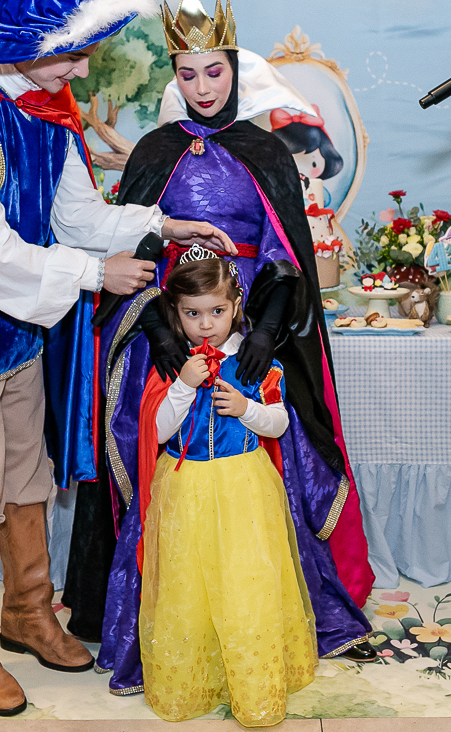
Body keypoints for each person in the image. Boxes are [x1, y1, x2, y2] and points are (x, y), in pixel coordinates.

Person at [0, 0, 235, 716]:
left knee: (26, 473)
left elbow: (75, 214)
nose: (81, 69)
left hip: (24, 324)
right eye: (71, 53)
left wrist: (157, 223)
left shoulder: (47, 104)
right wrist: (92, 274)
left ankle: (29, 614)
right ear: (21, 45)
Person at [65, 0, 375, 696]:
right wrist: (158, 329)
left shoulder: (264, 148)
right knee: (160, 476)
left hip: (245, 335)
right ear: (175, 76)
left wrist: (264, 331)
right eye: (188, 73)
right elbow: (133, 252)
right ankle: (169, 622)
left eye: (215, 70)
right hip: (168, 333)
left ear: (236, 68)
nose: (203, 87)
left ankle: (262, 612)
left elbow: (285, 256)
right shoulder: (152, 150)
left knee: (262, 476)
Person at [134, 250, 316, 726]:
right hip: (186, 487)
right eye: (192, 314)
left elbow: (278, 422)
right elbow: (155, 433)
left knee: (244, 578)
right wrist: (182, 386)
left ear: (236, 306)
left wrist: (246, 408)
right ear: (176, 313)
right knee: (187, 583)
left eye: (216, 311)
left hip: (243, 486)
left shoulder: (253, 361)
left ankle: (252, 682)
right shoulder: (175, 364)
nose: (206, 325)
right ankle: (198, 679)